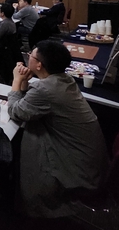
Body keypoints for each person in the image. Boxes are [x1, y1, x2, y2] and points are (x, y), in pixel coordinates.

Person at [7, 40, 108, 217]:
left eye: (31, 55)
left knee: (27, 136)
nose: (28, 57)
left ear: (39, 64)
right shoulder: (64, 79)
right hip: (89, 160)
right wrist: (23, 82)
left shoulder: (44, 89)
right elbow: (29, 105)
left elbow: (16, 112)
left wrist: (16, 79)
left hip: (77, 169)